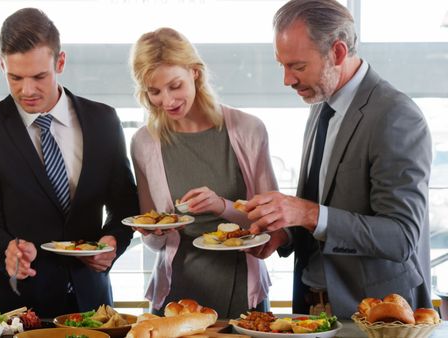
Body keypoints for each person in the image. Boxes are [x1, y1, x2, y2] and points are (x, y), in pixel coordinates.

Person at [244, 0, 433, 319]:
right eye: (282, 65)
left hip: (375, 314)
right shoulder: (321, 103)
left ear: (339, 52)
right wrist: (284, 231)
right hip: (312, 306)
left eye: (298, 66)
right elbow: (320, 208)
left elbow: (401, 237)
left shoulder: (395, 116)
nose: (287, 80)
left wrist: (307, 212)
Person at [0, 8, 139, 318]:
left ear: (60, 62)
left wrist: (113, 243)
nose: (27, 90)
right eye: (15, 77)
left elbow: (124, 207)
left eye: (39, 76)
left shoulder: (103, 121)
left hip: (91, 303)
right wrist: (8, 249)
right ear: (2, 64)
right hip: (13, 305)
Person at [129, 27, 278, 318]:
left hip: (241, 289)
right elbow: (153, 239)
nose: (167, 101)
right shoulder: (144, 143)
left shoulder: (248, 130)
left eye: (175, 86)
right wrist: (155, 230)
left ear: (195, 72)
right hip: (175, 292)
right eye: (154, 91)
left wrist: (221, 206)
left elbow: (271, 222)